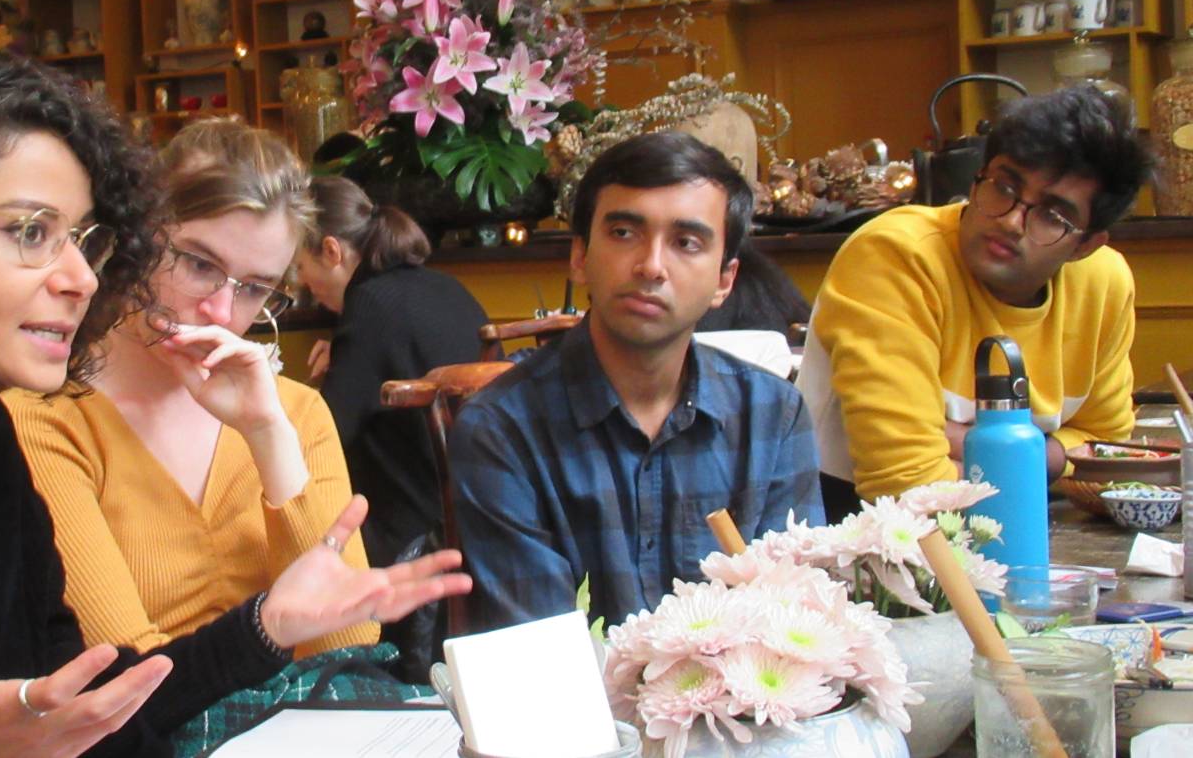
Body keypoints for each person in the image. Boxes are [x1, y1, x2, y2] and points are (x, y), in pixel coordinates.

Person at [0, 53, 469, 757]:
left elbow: (91, 708)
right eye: (30, 232)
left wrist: (266, 622)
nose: (80, 278)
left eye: (80, 239)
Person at [2, 121, 378, 662]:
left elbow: (348, 649)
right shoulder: (46, 420)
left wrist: (268, 436)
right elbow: (124, 673)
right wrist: (273, 631)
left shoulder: (294, 413)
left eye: (253, 288)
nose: (222, 313)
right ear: (136, 238)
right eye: (200, 264)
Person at [447, 131, 824, 632]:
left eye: (686, 243)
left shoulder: (773, 415)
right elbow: (540, 656)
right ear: (579, 256)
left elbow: (794, 626)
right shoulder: (502, 428)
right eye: (624, 233)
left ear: (724, 280)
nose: (651, 266)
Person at [796, 86, 1155, 520]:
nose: (1009, 221)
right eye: (1004, 187)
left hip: (1021, 528)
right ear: (976, 177)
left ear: (1086, 246)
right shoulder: (895, 255)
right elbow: (909, 487)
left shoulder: (1103, 281)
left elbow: (1108, 454)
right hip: (855, 537)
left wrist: (973, 444)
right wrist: (1044, 455)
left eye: (1052, 216)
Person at [294, 176, 489, 570]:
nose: (301, 283)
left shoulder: (369, 304)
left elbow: (326, 435)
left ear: (331, 251)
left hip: (411, 540)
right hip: (479, 518)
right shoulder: (442, 286)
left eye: (300, 266)